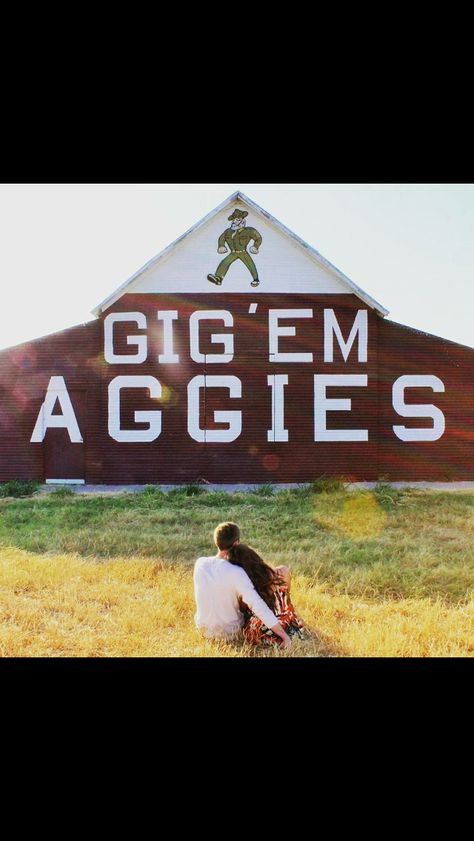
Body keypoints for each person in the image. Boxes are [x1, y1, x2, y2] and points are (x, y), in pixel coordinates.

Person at [193, 522, 292, 649]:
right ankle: (287, 611)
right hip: (230, 633)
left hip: (203, 629)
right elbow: (257, 605)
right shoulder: (236, 572)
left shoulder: (199, 564)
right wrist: (284, 636)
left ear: (216, 542)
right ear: (236, 543)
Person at [226, 543, 306, 647]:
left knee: (252, 627)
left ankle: (276, 638)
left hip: (264, 629)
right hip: (291, 624)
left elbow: (243, 611)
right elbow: (287, 598)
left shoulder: (245, 587)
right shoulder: (282, 572)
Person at [207, 208, 262, 287]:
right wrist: (221, 246)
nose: (235, 222)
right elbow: (221, 238)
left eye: (238, 219)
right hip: (233, 252)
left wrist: (255, 246)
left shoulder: (249, 231)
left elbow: (258, 238)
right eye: (234, 220)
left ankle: (256, 279)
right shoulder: (228, 231)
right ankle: (218, 278)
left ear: (242, 221)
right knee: (224, 262)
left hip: (242, 252)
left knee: (250, 264)